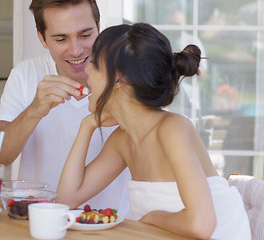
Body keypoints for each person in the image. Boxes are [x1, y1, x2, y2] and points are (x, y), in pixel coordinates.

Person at [56, 23, 251, 239]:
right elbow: (66, 199)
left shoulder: (173, 128)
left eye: (94, 64)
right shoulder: (122, 140)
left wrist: (152, 217)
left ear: (119, 77)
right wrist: (87, 126)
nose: (87, 70)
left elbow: (201, 225)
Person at [0, 0, 131, 214]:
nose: (76, 50)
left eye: (85, 35)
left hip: (112, 225)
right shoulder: (25, 74)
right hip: (36, 222)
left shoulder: (127, 78)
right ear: (42, 38)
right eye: (61, 39)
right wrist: (33, 111)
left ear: (99, 27)